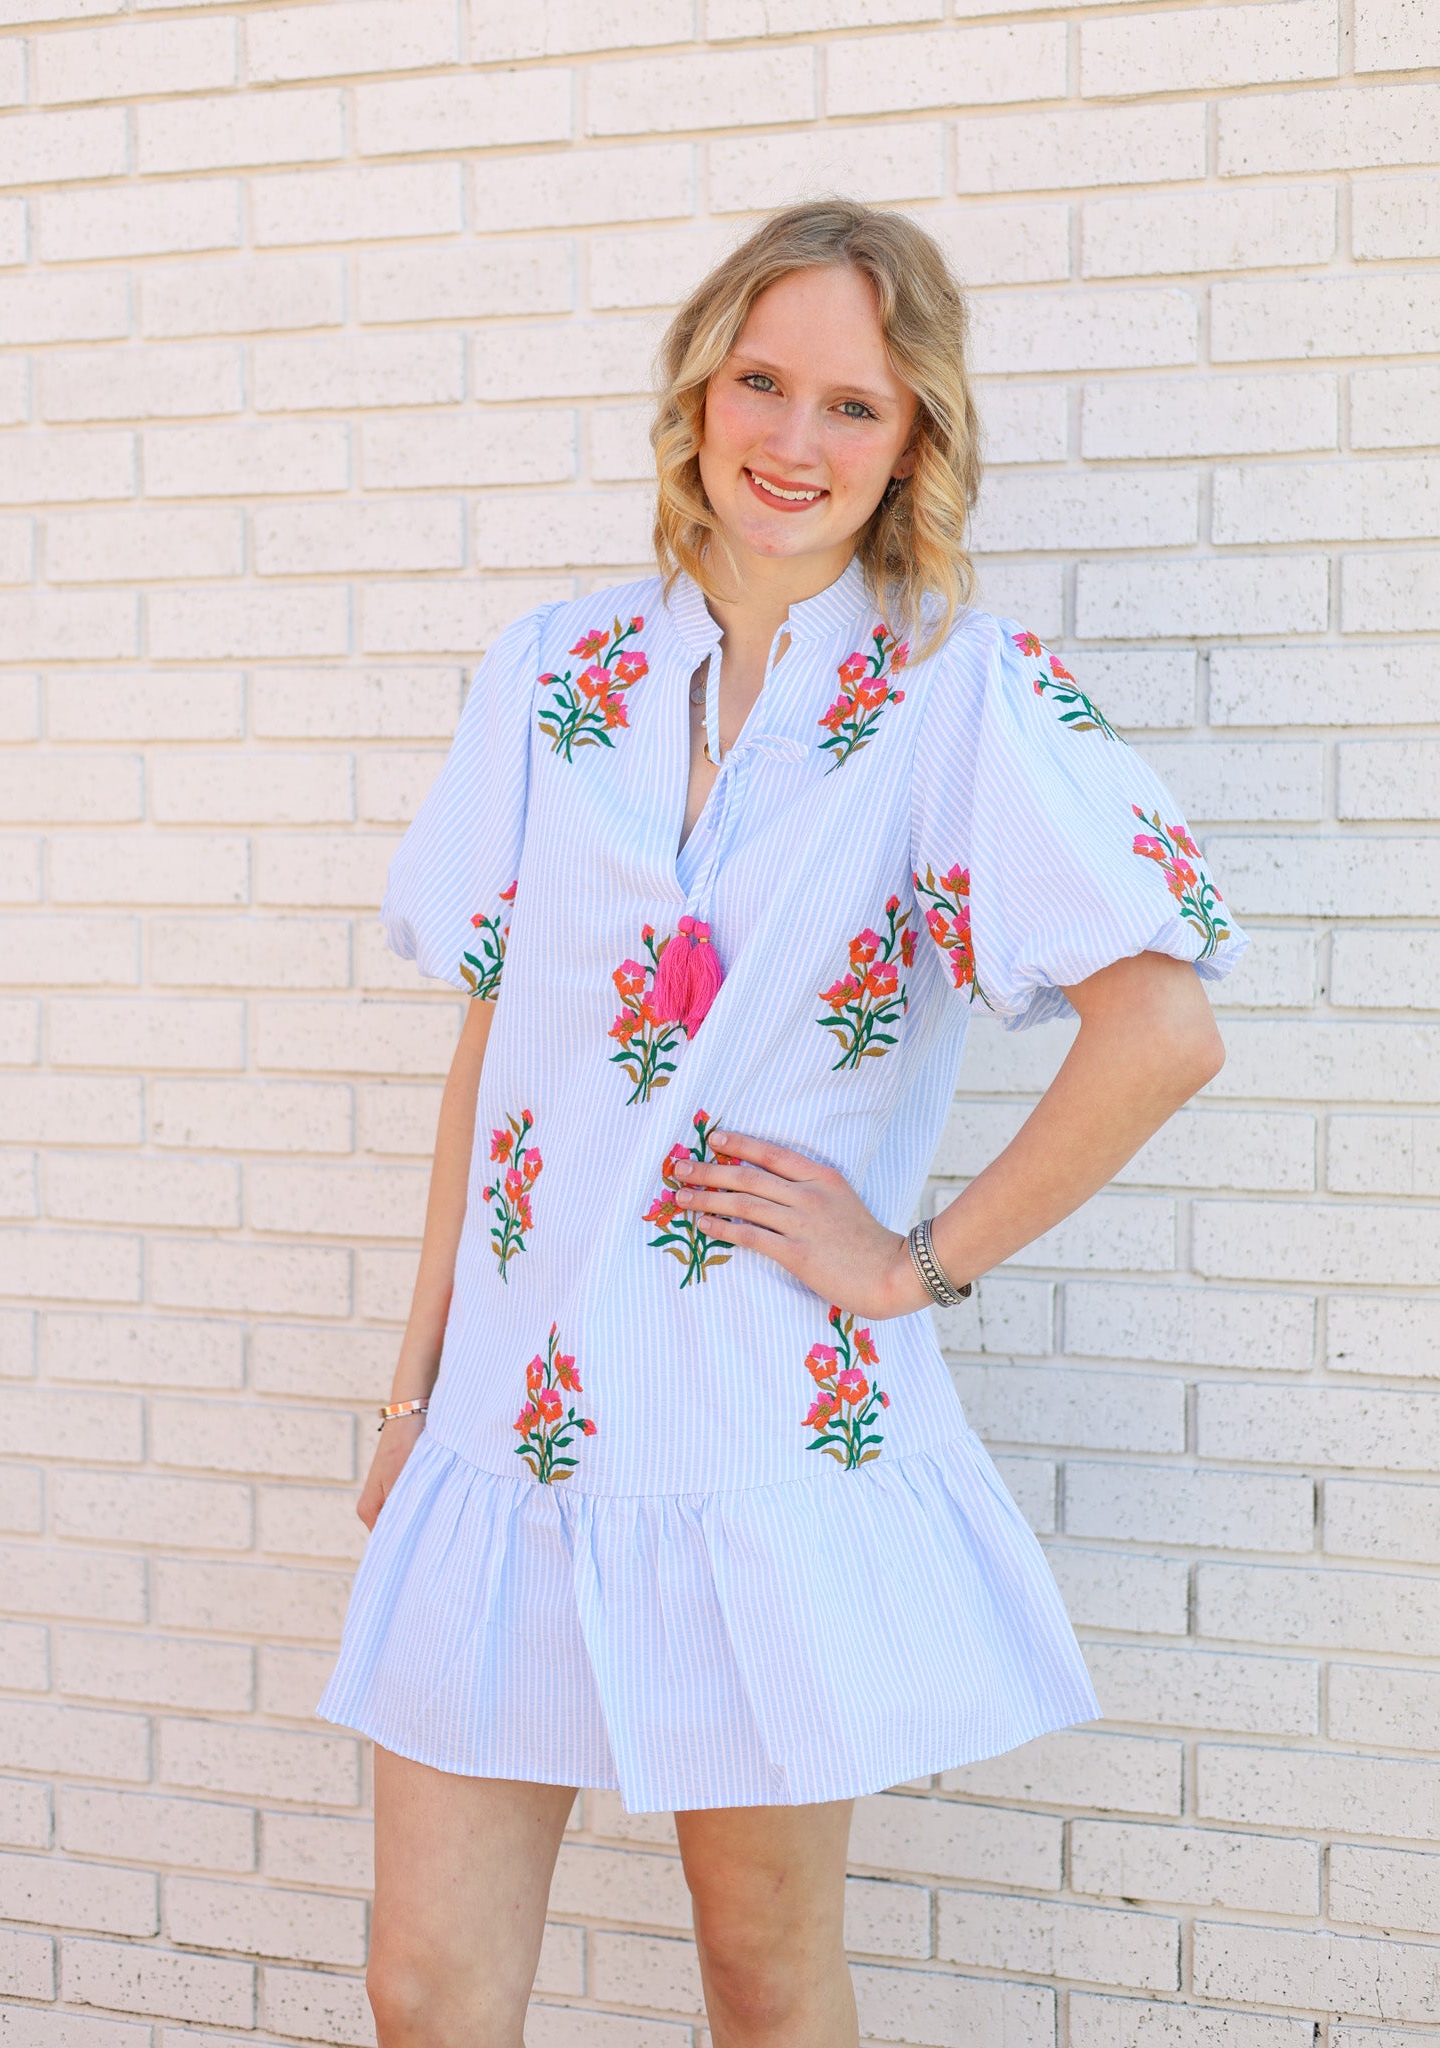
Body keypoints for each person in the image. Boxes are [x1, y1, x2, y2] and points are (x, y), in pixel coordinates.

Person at [316, 199, 1246, 2048]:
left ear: (915, 442)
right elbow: (497, 1049)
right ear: (700, 388)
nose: (794, 443)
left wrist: (916, 1265)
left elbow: (1163, 1029)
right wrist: (417, 1387)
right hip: (509, 1434)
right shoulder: (553, 675)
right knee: (425, 1988)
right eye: (764, 382)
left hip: (756, 1433)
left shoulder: (956, 695)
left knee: (759, 1967)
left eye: (856, 406)